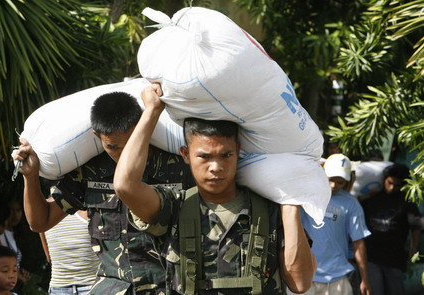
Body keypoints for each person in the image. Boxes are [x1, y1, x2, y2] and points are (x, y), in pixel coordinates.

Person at [113, 83, 317, 294]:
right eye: (204, 156)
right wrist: (152, 111)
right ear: (185, 154)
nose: (216, 167)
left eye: (225, 155)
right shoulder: (174, 206)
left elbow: (300, 283)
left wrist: (291, 203)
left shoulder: (269, 209)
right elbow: (125, 185)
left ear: (237, 150)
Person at [13, 91, 195, 294]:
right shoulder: (90, 173)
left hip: (171, 287)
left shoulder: (178, 168)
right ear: (97, 137)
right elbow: (40, 221)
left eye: (131, 143)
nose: (123, 154)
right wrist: (30, 177)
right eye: (113, 147)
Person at [287, 154, 371, 295]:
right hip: (304, 275)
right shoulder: (306, 196)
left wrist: (365, 279)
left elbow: (358, 242)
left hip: (337, 278)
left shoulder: (351, 204)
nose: (334, 185)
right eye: (331, 179)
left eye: (340, 182)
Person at [361, 163, 424, 295]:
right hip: (372, 257)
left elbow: (416, 227)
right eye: (389, 183)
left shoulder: (406, 202)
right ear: (384, 179)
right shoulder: (372, 197)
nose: (391, 188)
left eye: (396, 185)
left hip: (394, 259)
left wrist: (413, 249)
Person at [40, 204, 100, 295]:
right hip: (60, 288)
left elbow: (49, 257)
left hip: (90, 285)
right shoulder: (43, 209)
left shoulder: (44, 209)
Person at [0, 199, 31, 292]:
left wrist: (21, 273)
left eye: (18, 210)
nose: (15, 214)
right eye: (11, 210)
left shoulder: (17, 234)